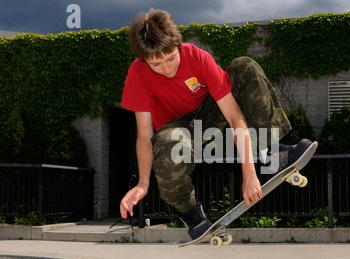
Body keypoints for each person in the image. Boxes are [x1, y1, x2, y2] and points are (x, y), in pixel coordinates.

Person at [119, 9, 312, 240]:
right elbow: (144, 135)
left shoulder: (198, 58)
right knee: (167, 143)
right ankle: (190, 212)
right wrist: (142, 183)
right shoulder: (137, 74)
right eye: (156, 64)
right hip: (174, 128)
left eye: (171, 58)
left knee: (244, 66)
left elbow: (233, 117)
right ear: (144, 60)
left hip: (210, 112)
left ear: (179, 45)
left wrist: (249, 172)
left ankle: (273, 152)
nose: (167, 69)